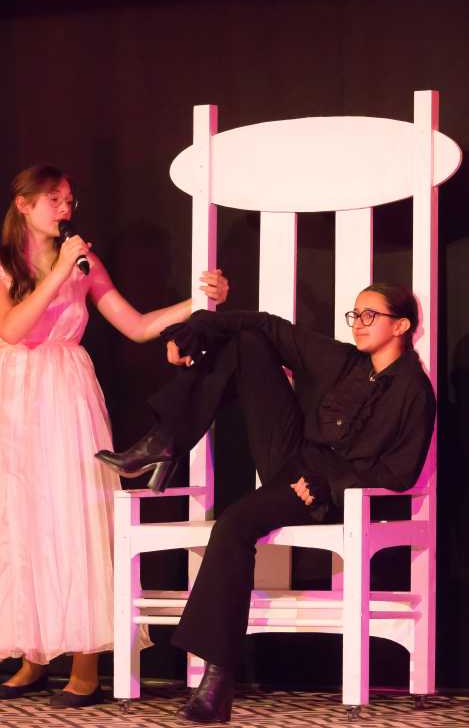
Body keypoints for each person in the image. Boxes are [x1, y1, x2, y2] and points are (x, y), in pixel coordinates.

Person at [96, 283, 436, 723]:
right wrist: (197, 328)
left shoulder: (414, 391)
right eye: (355, 315)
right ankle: (164, 440)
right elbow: (270, 327)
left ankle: (218, 681)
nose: (358, 324)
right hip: (293, 461)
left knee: (233, 524)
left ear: (402, 325)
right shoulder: (345, 361)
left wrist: (329, 484)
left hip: (331, 496)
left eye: (369, 315)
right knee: (249, 341)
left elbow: (400, 473)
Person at [0, 164, 228, 708]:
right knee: (16, 519)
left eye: (69, 200)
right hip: (10, 397)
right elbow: (12, 327)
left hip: (66, 390)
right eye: (53, 199)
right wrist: (60, 270)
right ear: (23, 204)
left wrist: (199, 302)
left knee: (76, 515)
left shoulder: (83, 262)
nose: (65, 209)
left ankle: (85, 661)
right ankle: (32, 655)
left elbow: (136, 325)